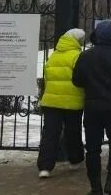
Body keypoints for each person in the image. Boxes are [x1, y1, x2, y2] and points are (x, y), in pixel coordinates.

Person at [72, 19, 111, 195]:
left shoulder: (86, 56)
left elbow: (77, 81)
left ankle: (95, 189)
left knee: (93, 149)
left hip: (92, 107)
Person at [37, 28, 86, 178]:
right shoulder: (78, 56)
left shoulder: (54, 55)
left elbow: (47, 78)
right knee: (73, 132)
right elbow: (81, 79)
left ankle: (45, 167)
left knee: (50, 133)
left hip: (51, 101)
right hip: (73, 101)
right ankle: (75, 160)